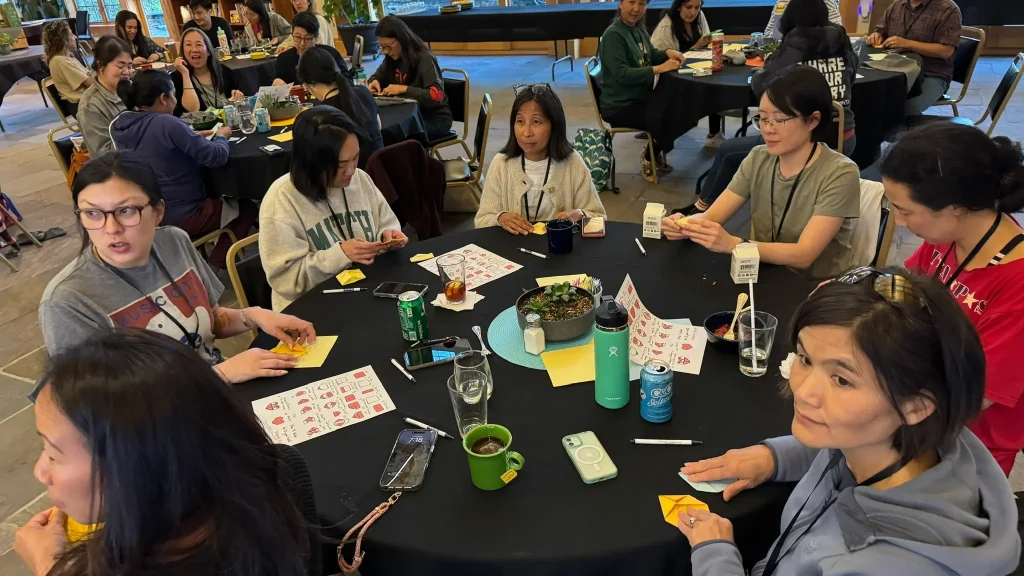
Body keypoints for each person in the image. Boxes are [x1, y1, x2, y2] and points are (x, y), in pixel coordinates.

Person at [677, 269, 1020, 576]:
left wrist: (715, 556)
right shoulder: (905, 441)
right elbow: (847, 450)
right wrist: (775, 458)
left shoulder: (885, 564)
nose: (804, 392)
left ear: (916, 406)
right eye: (806, 359)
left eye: (842, 380)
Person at [13, 329, 310, 576]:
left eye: (53, 454)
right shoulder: (274, 471)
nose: (40, 471)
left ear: (132, 466)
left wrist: (48, 566)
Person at [39, 152, 313, 385]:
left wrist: (254, 316)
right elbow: (98, 405)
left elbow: (209, 320)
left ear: (158, 211)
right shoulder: (68, 300)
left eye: (126, 211)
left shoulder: (173, 242)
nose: (111, 229)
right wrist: (218, 375)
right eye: (92, 213)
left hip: (215, 396)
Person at [882, 122, 1024, 476]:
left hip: (965, 444)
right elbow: (905, 287)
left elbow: (977, 396)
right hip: (912, 397)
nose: (899, 223)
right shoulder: (950, 235)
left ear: (955, 207)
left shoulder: (1016, 281)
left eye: (906, 210)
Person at [662, 66, 860, 280]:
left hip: (814, 288)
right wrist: (686, 226)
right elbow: (712, 217)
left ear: (812, 120)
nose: (768, 129)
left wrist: (733, 244)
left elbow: (804, 255)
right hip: (762, 273)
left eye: (779, 119)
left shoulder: (840, 173)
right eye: (763, 119)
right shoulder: (758, 157)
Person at [683, 0, 858, 216]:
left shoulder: (793, 47)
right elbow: (851, 76)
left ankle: (701, 211)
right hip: (845, 137)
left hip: (804, 141)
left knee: (728, 151)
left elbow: (761, 85)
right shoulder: (842, 42)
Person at [259, 106, 407, 311]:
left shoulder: (360, 179)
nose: (352, 170)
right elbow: (287, 281)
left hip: (367, 295)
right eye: (340, 165)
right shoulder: (282, 200)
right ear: (311, 163)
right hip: (312, 312)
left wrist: (386, 236)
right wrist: (340, 255)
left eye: (356, 158)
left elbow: (385, 222)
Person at [111, 70, 257, 269]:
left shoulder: (122, 124)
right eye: (173, 95)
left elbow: (159, 147)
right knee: (247, 206)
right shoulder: (166, 123)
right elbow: (216, 157)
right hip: (183, 213)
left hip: (148, 214)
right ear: (163, 98)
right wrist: (222, 136)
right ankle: (217, 264)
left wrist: (190, 136)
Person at [475, 84, 606, 233]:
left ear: (554, 125)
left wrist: (581, 214)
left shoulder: (572, 163)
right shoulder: (501, 164)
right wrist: (500, 218)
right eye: (520, 121)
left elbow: (599, 222)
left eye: (536, 122)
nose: (526, 132)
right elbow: (481, 221)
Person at [598, 0, 687, 182]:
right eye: (631, 2)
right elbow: (622, 74)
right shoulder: (613, 35)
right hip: (620, 105)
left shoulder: (637, 28)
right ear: (621, 4)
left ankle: (654, 150)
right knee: (670, 116)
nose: (636, 9)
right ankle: (650, 156)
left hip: (638, 97)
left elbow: (650, 54)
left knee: (685, 107)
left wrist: (668, 53)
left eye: (642, 3)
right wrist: (659, 68)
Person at [865, 0, 961, 115]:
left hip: (931, 73)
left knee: (906, 107)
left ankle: (908, 131)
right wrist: (876, 36)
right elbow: (880, 31)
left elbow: (946, 51)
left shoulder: (947, 9)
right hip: (895, 68)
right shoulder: (897, 5)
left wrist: (907, 43)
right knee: (869, 98)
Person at [650, 0, 723, 148]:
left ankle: (714, 133)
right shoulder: (666, 27)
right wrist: (696, 46)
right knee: (706, 93)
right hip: (669, 78)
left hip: (691, 71)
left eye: (697, 7)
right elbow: (663, 60)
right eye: (688, 7)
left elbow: (706, 47)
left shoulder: (699, 16)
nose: (693, 12)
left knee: (716, 84)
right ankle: (658, 144)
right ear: (678, 7)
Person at [368, 15, 452, 141]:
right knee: (379, 132)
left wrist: (404, 89)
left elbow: (436, 96)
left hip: (434, 118)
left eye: (388, 46)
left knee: (396, 137)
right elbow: (376, 76)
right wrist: (373, 82)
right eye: (382, 47)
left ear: (401, 39)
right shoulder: (391, 59)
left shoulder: (424, 58)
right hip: (410, 115)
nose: (386, 51)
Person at [298, 46, 382, 168]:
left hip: (352, 178)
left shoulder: (321, 116)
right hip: (380, 170)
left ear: (311, 83)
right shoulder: (363, 92)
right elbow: (378, 127)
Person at [77, 36, 132, 155]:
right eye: (120, 66)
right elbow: (104, 154)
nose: (127, 72)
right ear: (101, 66)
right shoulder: (90, 107)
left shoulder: (131, 88)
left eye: (130, 66)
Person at [171, 28, 244, 116]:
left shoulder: (224, 71)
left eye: (198, 44)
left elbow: (238, 103)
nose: (194, 49)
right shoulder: (177, 78)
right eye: (188, 45)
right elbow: (193, 109)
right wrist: (185, 74)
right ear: (183, 52)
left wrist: (238, 96)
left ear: (208, 51)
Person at [272, 12, 347, 86]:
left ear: (316, 38)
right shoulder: (284, 59)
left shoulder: (330, 54)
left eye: (308, 38)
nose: (302, 43)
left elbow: (347, 80)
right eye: (297, 37)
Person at [42, 20, 91, 115]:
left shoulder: (68, 57)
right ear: (64, 40)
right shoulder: (60, 61)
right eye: (72, 35)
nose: (75, 37)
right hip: (82, 106)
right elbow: (90, 83)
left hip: (87, 100)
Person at [764, 0, 842, 40]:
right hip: (791, 54)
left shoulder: (827, 1)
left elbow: (838, 34)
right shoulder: (782, 3)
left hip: (821, 52)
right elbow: (768, 35)